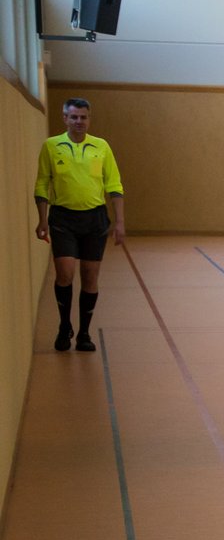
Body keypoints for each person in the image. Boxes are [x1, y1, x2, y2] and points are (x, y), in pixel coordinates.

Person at [33, 97, 125, 353]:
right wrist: (42, 219)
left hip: (94, 219)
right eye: (73, 117)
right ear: (65, 118)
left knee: (90, 276)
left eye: (83, 117)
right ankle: (65, 326)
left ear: (89, 119)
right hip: (62, 218)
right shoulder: (51, 146)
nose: (79, 121)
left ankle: (84, 332)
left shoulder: (101, 147)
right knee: (65, 273)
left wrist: (119, 222)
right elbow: (41, 184)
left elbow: (114, 185)